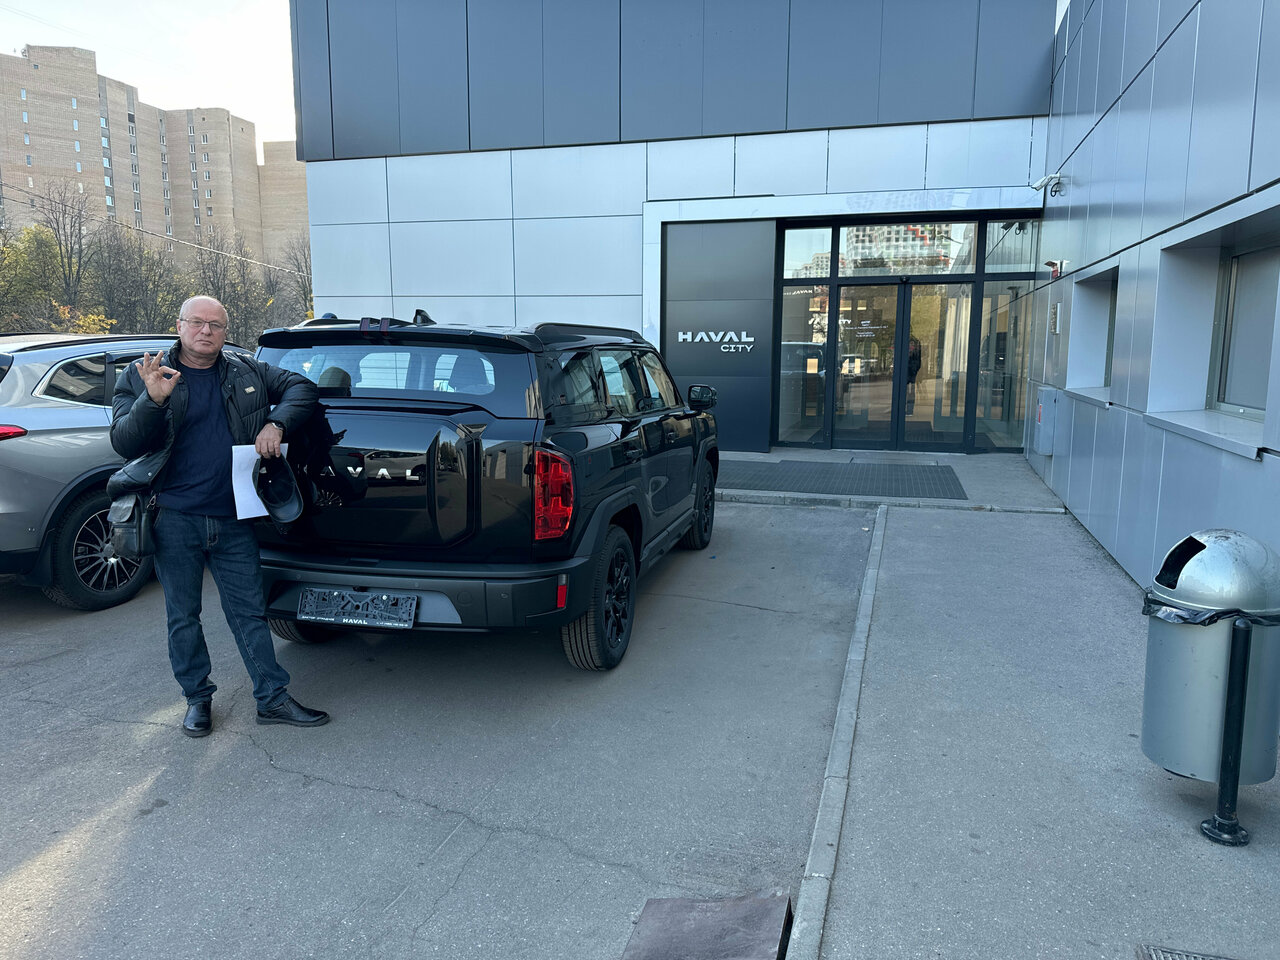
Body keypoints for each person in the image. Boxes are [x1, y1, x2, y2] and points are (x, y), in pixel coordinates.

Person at [110, 295, 329, 737]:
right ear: (179, 326)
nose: (206, 331)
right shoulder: (143, 374)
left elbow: (303, 389)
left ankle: (272, 698)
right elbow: (123, 443)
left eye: (216, 325)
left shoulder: (247, 370)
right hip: (173, 517)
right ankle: (197, 700)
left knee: (250, 613)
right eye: (197, 322)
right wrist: (151, 400)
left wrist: (277, 423)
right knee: (183, 616)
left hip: (234, 517)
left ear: (226, 332)